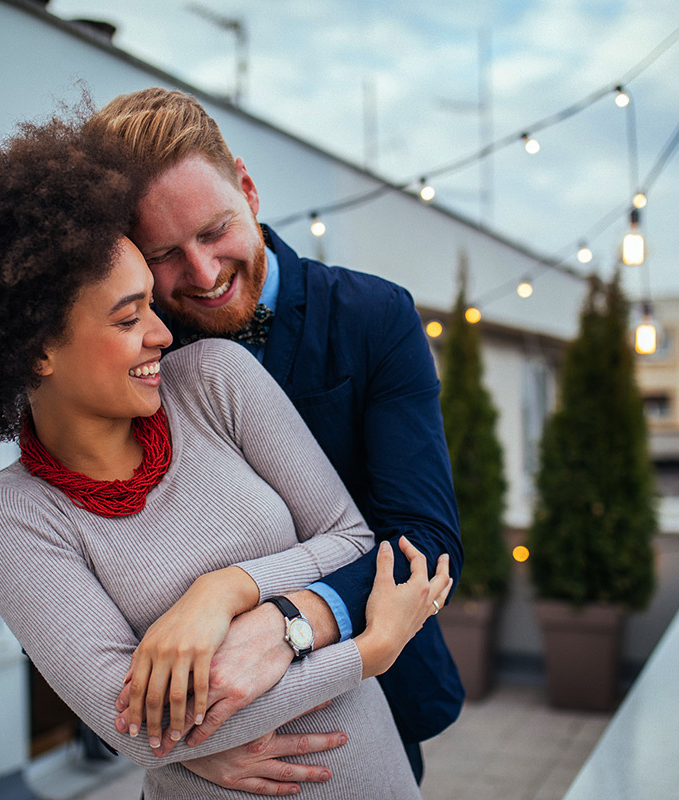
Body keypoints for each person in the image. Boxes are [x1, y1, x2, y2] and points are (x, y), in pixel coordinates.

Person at [0, 113, 451, 799]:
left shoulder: (220, 377)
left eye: (213, 230)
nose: (164, 331)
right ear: (35, 352)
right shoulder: (10, 516)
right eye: (129, 311)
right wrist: (364, 654)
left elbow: (366, 538)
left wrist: (228, 594)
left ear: (250, 193)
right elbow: (136, 726)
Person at [85, 88, 465, 793]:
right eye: (165, 253)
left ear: (249, 187)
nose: (202, 275)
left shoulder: (375, 317)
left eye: (215, 230)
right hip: (199, 748)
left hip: (374, 706)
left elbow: (426, 541)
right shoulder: (133, 359)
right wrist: (170, 746)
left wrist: (285, 622)